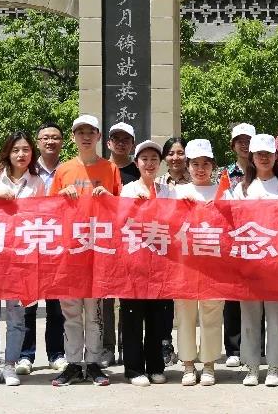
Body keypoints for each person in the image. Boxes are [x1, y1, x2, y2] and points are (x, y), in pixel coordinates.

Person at [48, 114, 119, 387]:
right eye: (81, 132)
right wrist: (61, 195)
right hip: (70, 252)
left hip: (98, 251)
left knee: (95, 312)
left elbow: (121, 208)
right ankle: (73, 363)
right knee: (71, 312)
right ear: (73, 137)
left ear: (99, 136)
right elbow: (49, 211)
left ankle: (94, 363)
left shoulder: (110, 169)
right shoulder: (63, 170)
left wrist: (109, 198)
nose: (86, 137)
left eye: (91, 132)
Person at [0, 131, 45, 387]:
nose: (21, 154)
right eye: (16, 150)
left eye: (26, 150)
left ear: (32, 153)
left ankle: (10, 365)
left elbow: (44, 217)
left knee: (17, 316)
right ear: (7, 153)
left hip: (21, 260)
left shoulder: (36, 182)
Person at [230, 132, 278, 387]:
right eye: (259, 154)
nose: (264, 158)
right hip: (250, 262)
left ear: (276, 156)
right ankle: (252, 366)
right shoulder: (242, 189)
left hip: (277, 262)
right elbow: (231, 222)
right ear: (252, 157)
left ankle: (275, 366)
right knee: (249, 316)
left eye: (268, 154)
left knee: (276, 316)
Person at [120, 140, 176, 386]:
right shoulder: (128, 190)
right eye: (144, 159)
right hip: (134, 263)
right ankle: (134, 369)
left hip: (161, 264)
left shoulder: (168, 191)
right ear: (136, 163)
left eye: (154, 159)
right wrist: (136, 207)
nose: (149, 163)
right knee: (132, 317)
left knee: (157, 317)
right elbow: (121, 222)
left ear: (160, 163)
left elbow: (175, 220)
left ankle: (155, 366)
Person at [173, 138, 225, 386]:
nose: (200, 169)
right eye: (195, 164)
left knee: (211, 315)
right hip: (184, 265)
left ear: (213, 165)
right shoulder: (177, 193)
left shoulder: (223, 193)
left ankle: (209, 364)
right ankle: (187, 364)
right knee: (185, 316)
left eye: (205, 163)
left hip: (214, 266)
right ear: (188, 166)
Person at [18, 123, 67, 375]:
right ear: (38, 142)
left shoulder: (68, 170)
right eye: (45, 137)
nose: (50, 141)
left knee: (56, 305)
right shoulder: (26, 171)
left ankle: (56, 353)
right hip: (29, 244)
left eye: (55, 137)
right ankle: (25, 355)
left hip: (58, 246)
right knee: (27, 304)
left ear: (62, 142)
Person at [102, 121, 138, 367]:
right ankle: (107, 347)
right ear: (108, 143)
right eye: (116, 139)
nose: (121, 143)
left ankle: (128, 345)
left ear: (132, 144)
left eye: (126, 139)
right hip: (104, 240)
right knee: (105, 297)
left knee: (129, 296)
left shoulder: (139, 171)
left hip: (130, 241)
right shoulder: (100, 169)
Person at [223, 122, 258, 369]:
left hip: (262, 240)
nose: (244, 145)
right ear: (233, 145)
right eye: (240, 141)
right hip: (234, 241)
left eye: (248, 141)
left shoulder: (268, 170)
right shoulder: (224, 174)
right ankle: (234, 348)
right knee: (233, 297)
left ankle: (259, 346)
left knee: (261, 295)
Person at [156, 136, 189, 366]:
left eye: (180, 152)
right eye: (170, 153)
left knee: (188, 301)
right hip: (165, 249)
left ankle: (190, 348)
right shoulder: (157, 183)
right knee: (164, 300)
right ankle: (165, 343)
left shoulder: (198, 180)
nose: (175, 157)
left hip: (191, 249)